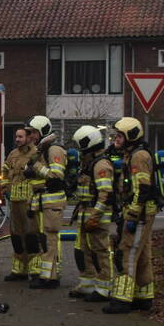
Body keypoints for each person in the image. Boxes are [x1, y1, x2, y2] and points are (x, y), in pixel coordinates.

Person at [104, 117, 157, 314]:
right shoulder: (133, 154)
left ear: (130, 136)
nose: (116, 140)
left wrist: (132, 216)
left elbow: (142, 189)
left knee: (126, 253)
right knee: (142, 256)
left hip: (139, 214)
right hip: (144, 212)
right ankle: (143, 297)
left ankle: (122, 299)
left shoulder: (138, 157)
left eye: (119, 136)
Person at [68, 126, 114, 302]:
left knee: (99, 251)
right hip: (85, 212)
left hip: (96, 215)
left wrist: (95, 217)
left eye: (82, 147)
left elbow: (105, 194)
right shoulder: (90, 163)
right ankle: (87, 284)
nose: (81, 152)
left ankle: (104, 288)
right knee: (83, 250)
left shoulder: (101, 165)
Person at [23, 115, 67, 289]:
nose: (31, 136)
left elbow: (56, 177)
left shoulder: (54, 150)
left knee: (49, 239)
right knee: (44, 239)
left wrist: (36, 168)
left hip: (52, 201)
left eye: (33, 132)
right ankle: (48, 275)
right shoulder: (42, 149)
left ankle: (49, 278)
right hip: (43, 202)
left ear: (42, 131)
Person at [0, 127, 39, 281]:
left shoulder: (36, 154)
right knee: (16, 236)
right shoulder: (13, 154)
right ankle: (18, 270)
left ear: (29, 138)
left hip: (28, 203)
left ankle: (34, 270)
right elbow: (5, 172)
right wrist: (4, 188)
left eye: (20, 137)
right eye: (16, 137)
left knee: (31, 236)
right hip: (14, 201)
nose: (17, 139)